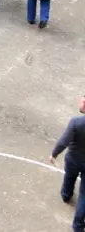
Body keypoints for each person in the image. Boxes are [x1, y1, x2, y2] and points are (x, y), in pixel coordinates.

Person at [50, 95, 85, 232]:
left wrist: (54, 154)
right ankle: (78, 225)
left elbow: (63, 141)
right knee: (84, 195)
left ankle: (66, 195)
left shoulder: (76, 122)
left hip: (74, 160)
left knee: (69, 178)